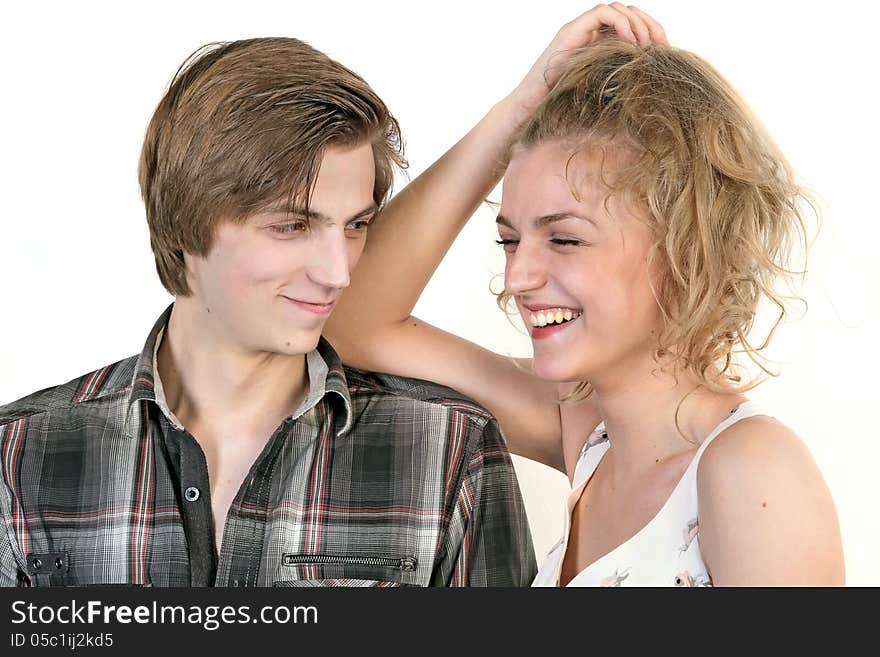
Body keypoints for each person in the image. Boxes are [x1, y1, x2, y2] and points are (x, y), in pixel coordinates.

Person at [324, 4, 845, 585]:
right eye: (510, 240)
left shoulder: (752, 472)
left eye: (565, 238)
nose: (518, 277)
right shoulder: (591, 439)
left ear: (686, 245)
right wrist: (520, 108)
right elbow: (348, 322)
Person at [0, 37, 538, 587]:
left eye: (355, 224)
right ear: (186, 224)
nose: (339, 273)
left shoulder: (450, 450)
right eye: (292, 226)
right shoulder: (17, 461)